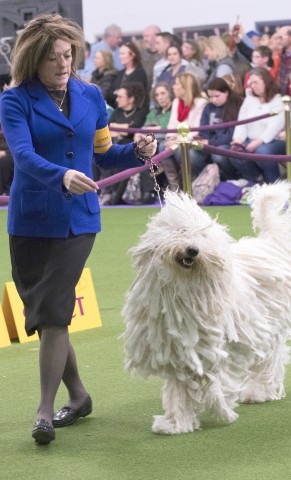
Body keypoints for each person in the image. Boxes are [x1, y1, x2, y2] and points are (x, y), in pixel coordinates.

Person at [0, 13, 156, 445]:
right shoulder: (14, 100)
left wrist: (139, 152)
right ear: (33, 61)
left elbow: (104, 153)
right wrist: (62, 175)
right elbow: (24, 156)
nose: (63, 64)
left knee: (53, 313)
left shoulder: (91, 95)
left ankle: (44, 412)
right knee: (42, 314)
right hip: (30, 221)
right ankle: (80, 395)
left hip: (79, 220)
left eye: (68, 56)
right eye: (53, 59)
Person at [230, 67, 285, 183]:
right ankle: (256, 180)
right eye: (251, 83)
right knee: (233, 153)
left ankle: (275, 183)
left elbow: (274, 127)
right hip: (251, 139)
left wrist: (258, 142)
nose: (252, 86)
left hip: (273, 141)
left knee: (262, 152)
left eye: (256, 82)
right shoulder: (250, 100)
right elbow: (242, 122)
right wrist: (238, 139)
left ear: (266, 82)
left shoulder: (278, 100)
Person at [160, 72, 208, 189]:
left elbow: (196, 130)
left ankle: (189, 184)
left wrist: (177, 141)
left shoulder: (201, 103)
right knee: (163, 146)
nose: (173, 87)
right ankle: (174, 185)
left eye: (177, 84)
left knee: (182, 151)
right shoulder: (177, 102)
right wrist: (171, 137)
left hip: (194, 143)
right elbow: (172, 125)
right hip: (179, 140)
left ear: (185, 87)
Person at [196, 77, 243, 180]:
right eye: (210, 97)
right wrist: (204, 141)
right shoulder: (208, 107)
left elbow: (232, 135)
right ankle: (207, 180)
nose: (214, 100)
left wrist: (209, 142)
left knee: (218, 155)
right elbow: (203, 129)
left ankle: (232, 179)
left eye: (217, 96)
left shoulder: (236, 105)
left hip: (226, 143)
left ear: (226, 92)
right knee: (192, 155)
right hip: (210, 143)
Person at [112, 41, 149, 110]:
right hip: (119, 109)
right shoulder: (120, 73)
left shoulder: (140, 73)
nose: (120, 57)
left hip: (135, 110)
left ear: (132, 55)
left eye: (123, 54)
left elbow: (139, 94)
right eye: (119, 54)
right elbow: (112, 92)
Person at [140, 25, 162, 91]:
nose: (144, 39)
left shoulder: (165, 54)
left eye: (147, 36)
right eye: (143, 36)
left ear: (156, 36)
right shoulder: (141, 55)